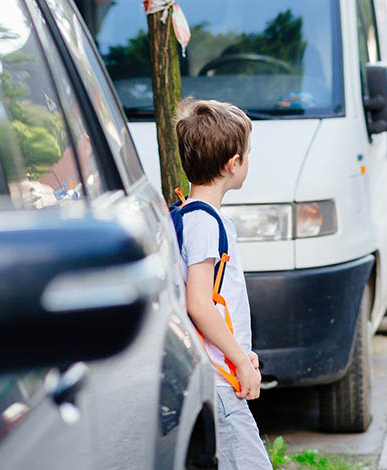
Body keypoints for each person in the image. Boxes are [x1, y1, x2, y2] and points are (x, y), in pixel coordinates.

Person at [174, 98, 272, 469]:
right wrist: (239, 361)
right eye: (248, 154)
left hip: (217, 372)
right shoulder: (204, 224)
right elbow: (199, 304)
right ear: (233, 163)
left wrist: (239, 352)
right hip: (218, 382)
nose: (248, 161)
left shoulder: (191, 215)